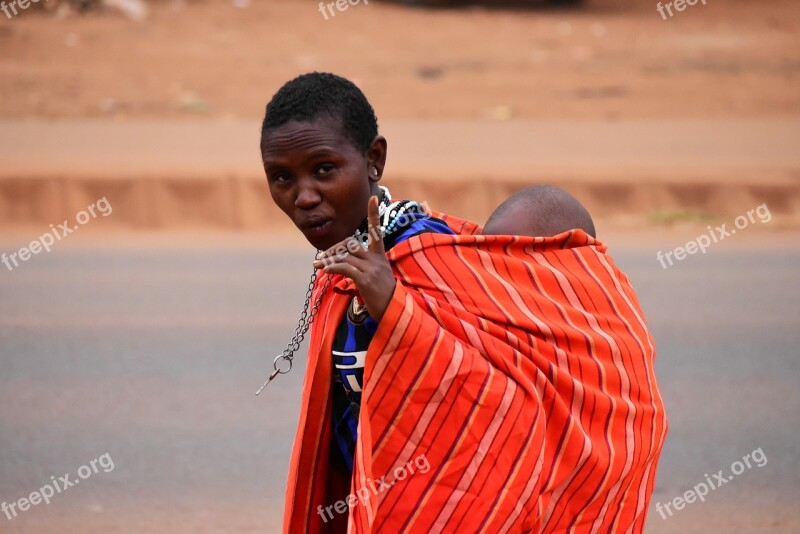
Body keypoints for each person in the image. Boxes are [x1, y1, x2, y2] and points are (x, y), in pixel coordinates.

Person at [259, 72, 667, 534]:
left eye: (324, 170)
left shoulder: (429, 254)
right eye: (281, 178)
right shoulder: (341, 268)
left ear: (374, 159)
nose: (304, 196)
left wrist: (395, 307)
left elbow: (505, 402)